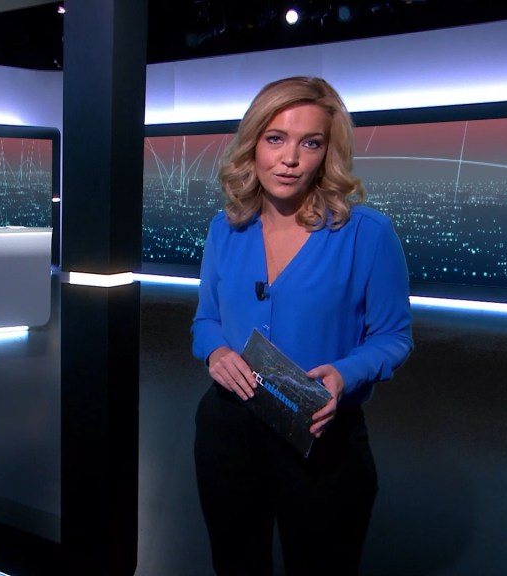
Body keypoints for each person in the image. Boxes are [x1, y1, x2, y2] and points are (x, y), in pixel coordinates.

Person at [191, 76, 413, 575]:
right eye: (275, 139)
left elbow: (393, 336)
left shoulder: (367, 233)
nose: (289, 159)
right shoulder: (225, 228)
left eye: (309, 143)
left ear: (327, 153)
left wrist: (345, 374)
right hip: (228, 432)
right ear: (253, 144)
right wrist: (216, 352)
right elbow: (206, 319)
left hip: (321, 439)